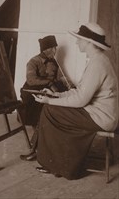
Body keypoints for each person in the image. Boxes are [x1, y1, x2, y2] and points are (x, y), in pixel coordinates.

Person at [33, 23, 118, 179]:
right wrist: (55, 95)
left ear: (89, 43)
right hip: (99, 114)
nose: (77, 42)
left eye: (80, 40)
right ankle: (60, 163)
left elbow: (80, 100)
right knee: (51, 108)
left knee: (50, 110)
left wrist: (50, 102)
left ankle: (58, 165)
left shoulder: (98, 63)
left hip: (102, 118)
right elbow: (80, 92)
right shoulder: (98, 60)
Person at [20, 35, 68, 161]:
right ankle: (36, 148)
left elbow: (58, 79)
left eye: (55, 48)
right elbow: (31, 80)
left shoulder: (54, 62)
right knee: (38, 114)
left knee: (55, 107)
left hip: (46, 91)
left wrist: (68, 84)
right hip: (31, 92)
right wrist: (50, 83)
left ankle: (41, 148)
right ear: (46, 50)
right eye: (52, 49)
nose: (55, 51)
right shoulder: (33, 61)